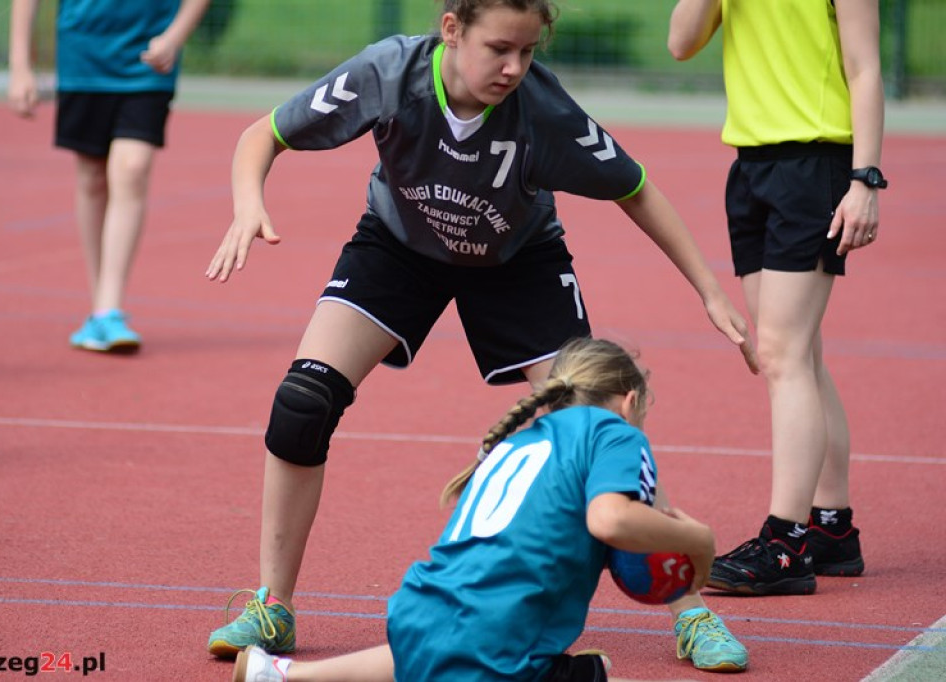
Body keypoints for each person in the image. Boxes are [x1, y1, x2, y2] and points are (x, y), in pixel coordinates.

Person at [206, 0, 758, 671]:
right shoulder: (390, 74)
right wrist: (247, 201)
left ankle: (690, 610)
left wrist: (707, 287)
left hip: (517, 261)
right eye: (499, 48)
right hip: (398, 248)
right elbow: (262, 134)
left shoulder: (543, 111)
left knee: (593, 425)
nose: (514, 67)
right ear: (450, 29)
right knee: (302, 402)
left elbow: (635, 187)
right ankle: (274, 605)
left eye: (527, 52)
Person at [230, 337, 718, 682]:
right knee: (596, 671)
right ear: (629, 403)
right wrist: (698, 539)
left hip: (417, 614)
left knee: (438, 654)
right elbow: (610, 519)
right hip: (498, 649)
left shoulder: (518, 441)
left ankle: (283, 675)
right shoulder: (613, 431)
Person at [668, 0, 884, 594]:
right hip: (753, 165)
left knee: (783, 355)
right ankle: (833, 530)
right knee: (799, 355)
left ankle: (785, 541)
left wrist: (866, 179)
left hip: (817, 163)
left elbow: (864, 67)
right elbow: (681, 43)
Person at [8, 0, 211, 353]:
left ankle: (108, 309)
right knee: (91, 178)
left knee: (132, 168)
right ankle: (99, 309)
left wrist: (175, 36)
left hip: (149, 60)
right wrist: (19, 66)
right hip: (82, 58)